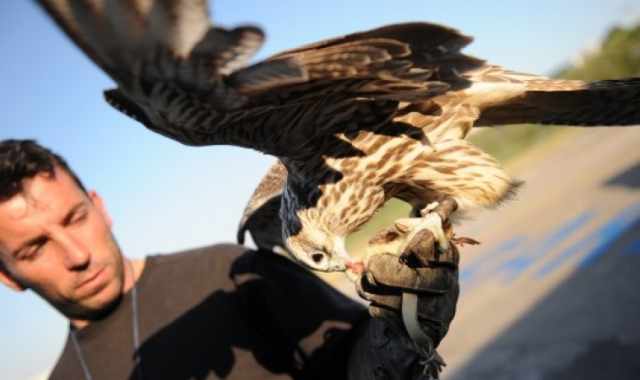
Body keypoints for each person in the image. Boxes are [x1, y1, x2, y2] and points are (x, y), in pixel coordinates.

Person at [0, 139, 460, 380]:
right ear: (8, 276)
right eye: (35, 248)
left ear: (99, 206)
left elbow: (358, 365)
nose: (76, 255)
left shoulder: (225, 272)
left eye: (76, 217)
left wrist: (398, 330)